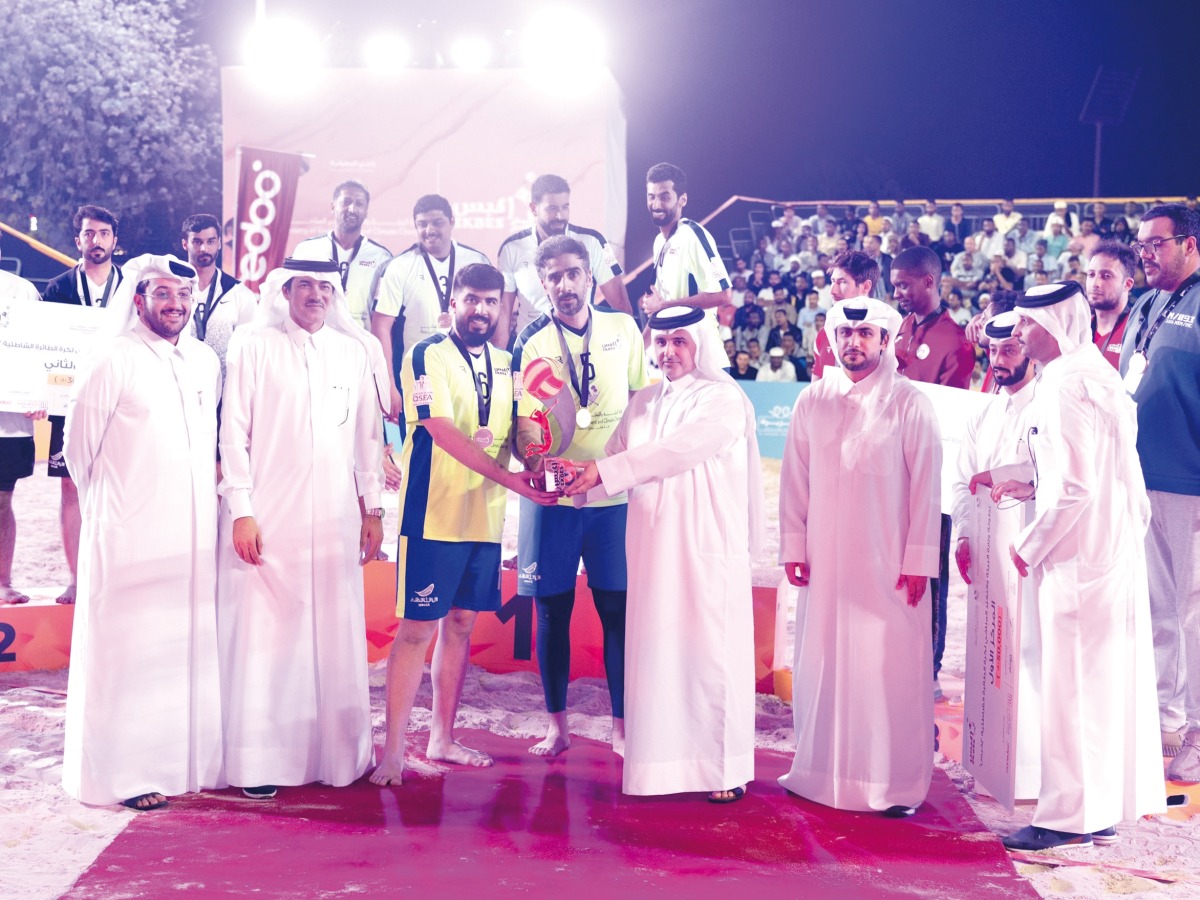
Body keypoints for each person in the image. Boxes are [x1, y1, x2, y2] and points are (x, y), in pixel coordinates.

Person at [564, 306, 763, 801]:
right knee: (658, 650)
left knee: (707, 652)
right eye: (661, 342)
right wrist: (571, 477)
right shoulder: (645, 402)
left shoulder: (723, 398)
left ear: (699, 344)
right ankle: (659, 764)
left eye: (680, 341)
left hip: (704, 547)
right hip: (652, 545)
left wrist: (602, 474)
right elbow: (612, 459)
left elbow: (677, 451)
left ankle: (722, 770)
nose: (668, 351)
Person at [992, 281, 1163, 850]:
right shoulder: (1093, 372)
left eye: (1027, 325)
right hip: (1103, 553)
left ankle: (1065, 818)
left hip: (1077, 558)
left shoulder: (1068, 384)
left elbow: (1076, 489)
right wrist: (1025, 477)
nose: (1018, 334)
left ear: (1057, 324)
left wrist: (1027, 547)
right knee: (1096, 686)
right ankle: (1094, 810)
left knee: (1069, 689)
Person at [371, 264, 557, 786]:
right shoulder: (424, 354)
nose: (481, 310)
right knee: (415, 632)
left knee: (460, 625)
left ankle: (442, 738)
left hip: (485, 518)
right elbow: (442, 430)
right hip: (431, 514)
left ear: (502, 307)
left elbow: (521, 429)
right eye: (471, 299)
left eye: (490, 302)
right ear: (452, 303)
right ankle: (393, 753)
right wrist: (515, 480)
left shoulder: (507, 363)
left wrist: (536, 452)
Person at [217, 258, 387, 799]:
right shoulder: (253, 345)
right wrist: (241, 508)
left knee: (334, 629)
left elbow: (367, 439)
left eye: (324, 287)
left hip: (337, 517)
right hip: (271, 516)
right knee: (270, 633)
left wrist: (372, 510)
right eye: (305, 285)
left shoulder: (352, 351)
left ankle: (338, 756)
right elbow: (233, 432)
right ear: (285, 290)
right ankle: (262, 761)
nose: (315, 295)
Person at [61, 255, 223, 811]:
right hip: (127, 532)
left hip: (192, 538)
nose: (175, 304)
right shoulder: (112, 358)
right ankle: (122, 774)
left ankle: (180, 765)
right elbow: (77, 451)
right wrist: (117, 507)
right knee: (127, 650)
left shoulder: (203, 360)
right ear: (138, 299)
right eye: (162, 295)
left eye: (183, 295)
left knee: (177, 647)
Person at [778, 296, 942, 816]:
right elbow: (794, 483)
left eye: (865, 335)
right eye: (846, 335)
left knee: (886, 667)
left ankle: (892, 785)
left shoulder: (910, 402)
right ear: (833, 338)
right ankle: (819, 772)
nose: (854, 343)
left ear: (884, 341)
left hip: (889, 565)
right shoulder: (812, 400)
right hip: (825, 565)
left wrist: (918, 560)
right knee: (823, 660)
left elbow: (927, 489)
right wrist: (793, 548)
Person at [511, 236, 647, 757]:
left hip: (611, 493)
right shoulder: (531, 341)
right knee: (552, 611)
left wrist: (619, 463)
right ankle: (557, 727)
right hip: (553, 499)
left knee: (616, 609)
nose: (565, 286)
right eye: (554, 278)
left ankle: (620, 726)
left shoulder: (623, 327)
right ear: (543, 284)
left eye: (573, 274)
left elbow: (640, 399)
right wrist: (537, 460)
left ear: (589, 276)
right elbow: (523, 425)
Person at [1119, 203, 1200, 772]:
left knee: (1192, 609)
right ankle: (1165, 722)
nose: (1146, 253)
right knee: (1157, 609)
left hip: (1191, 482)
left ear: (1190, 244)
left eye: (1157, 244)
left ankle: (1196, 730)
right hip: (1141, 478)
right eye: (1141, 244)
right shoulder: (1145, 304)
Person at [951, 310, 1041, 799]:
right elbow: (961, 479)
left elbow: (1050, 478)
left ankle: (1028, 774)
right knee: (989, 657)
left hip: (1033, 556)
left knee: (1028, 659)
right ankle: (990, 768)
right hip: (986, 555)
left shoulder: (1047, 406)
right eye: (993, 352)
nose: (999, 361)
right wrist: (964, 535)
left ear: (1029, 350)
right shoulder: (984, 410)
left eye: (1009, 351)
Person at [891, 245, 974, 699]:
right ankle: (901, 653)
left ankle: (931, 667)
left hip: (934, 473)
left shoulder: (955, 339)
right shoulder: (902, 327)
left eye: (904, 283)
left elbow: (950, 414)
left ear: (928, 281)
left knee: (932, 569)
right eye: (895, 283)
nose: (897, 291)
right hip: (893, 468)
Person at [40, 205, 125, 605]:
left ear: (115, 241)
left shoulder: (132, 287)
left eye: (104, 233)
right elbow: (41, 348)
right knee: (71, 489)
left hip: (123, 401)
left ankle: (121, 575)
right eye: (89, 234)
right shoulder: (56, 288)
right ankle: (76, 578)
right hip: (68, 401)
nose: (97, 240)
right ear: (78, 241)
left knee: (123, 486)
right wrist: (36, 392)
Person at [371, 194, 491, 422]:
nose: (429, 230)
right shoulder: (399, 267)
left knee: (466, 445)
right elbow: (381, 327)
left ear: (452, 221)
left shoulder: (476, 260)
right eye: (422, 224)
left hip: (467, 371)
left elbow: (491, 318)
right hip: (418, 375)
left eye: (437, 222)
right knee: (420, 450)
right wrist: (389, 385)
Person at [497, 173, 633, 347]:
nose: (560, 215)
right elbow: (503, 314)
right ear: (533, 208)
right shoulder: (511, 248)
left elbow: (621, 308)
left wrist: (627, 354)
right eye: (552, 208)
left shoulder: (593, 241)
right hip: (531, 350)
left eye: (565, 207)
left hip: (582, 349)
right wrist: (498, 365)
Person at [0, 267, 48, 605]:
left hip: (10, 424)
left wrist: (41, 394)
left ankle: (2, 583)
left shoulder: (22, 290)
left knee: (2, 503)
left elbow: (43, 351)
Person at [291, 180, 391, 330]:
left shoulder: (381, 257)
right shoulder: (307, 249)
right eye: (346, 202)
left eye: (359, 204)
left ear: (366, 212)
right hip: (315, 340)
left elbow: (384, 314)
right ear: (333, 207)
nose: (352, 208)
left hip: (360, 343)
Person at [641, 163, 731, 323]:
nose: (656, 204)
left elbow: (723, 295)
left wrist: (666, 306)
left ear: (682, 200)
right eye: (651, 196)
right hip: (673, 339)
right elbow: (661, 306)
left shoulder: (692, 235)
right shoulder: (659, 242)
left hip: (698, 342)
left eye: (664, 197)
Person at [179, 213, 257, 378]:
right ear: (185, 244)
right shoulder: (172, 290)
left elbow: (250, 351)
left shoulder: (239, 293)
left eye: (210, 241)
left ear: (219, 243)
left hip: (225, 391)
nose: (204, 248)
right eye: (197, 241)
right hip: (179, 386)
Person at [810, 250, 878, 379]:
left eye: (842, 282)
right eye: (832, 281)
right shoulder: (825, 333)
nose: (832, 291)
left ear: (865, 287)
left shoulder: (885, 336)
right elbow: (816, 387)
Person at [1086, 240, 1137, 370]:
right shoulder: (1080, 330)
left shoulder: (1138, 332)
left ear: (1127, 284)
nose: (1095, 283)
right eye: (1091, 275)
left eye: (1106, 276)